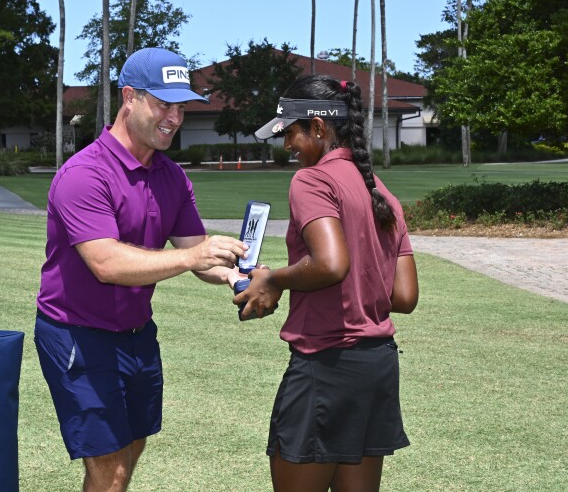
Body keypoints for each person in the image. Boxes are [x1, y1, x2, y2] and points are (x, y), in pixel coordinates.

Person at [34, 47, 248, 491]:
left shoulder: (170, 175)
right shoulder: (85, 174)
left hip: (136, 334)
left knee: (132, 447)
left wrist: (234, 273)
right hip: (78, 335)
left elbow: (196, 251)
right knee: (109, 469)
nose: (173, 116)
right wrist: (193, 257)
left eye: (180, 106)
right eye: (162, 103)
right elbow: (106, 263)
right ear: (129, 97)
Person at [237, 74, 419, 492]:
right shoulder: (382, 194)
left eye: (291, 134)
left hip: (326, 366)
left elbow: (331, 263)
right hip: (377, 367)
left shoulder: (312, 180)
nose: (287, 146)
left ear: (318, 127)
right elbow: (405, 297)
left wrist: (274, 279)